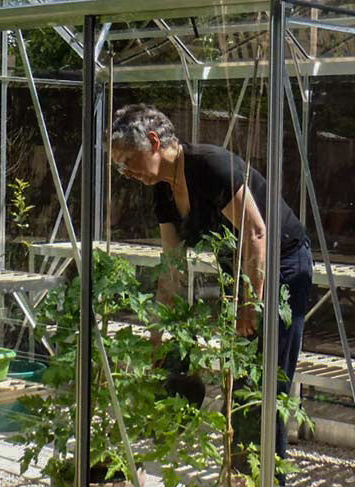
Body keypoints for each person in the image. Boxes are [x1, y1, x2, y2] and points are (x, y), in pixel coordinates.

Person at [109, 103, 313, 466]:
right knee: (238, 376)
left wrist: (250, 304)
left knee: (264, 380)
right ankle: (242, 477)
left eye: (126, 160)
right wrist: (158, 331)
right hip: (239, 273)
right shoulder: (163, 189)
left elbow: (256, 232)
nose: (124, 172)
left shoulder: (209, 165)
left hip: (280, 266)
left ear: (154, 141)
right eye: (118, 165)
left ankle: (267, 485)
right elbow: (172, 266)